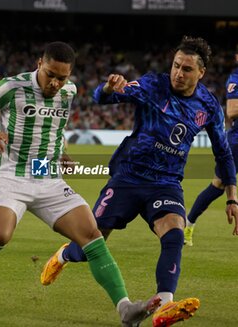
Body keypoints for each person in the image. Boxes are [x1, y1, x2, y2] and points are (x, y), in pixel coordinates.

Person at [40, 36, 238, 327]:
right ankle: (63, 255)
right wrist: (109, 87)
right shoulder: (152, 85)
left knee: (174, 232)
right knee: (89, 243)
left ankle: (165, 304)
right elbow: (102, 97)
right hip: (128, 176)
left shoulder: (208, 105)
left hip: (166, 182)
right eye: (175, 66)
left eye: (186, 69)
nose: (178, 74)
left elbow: (223, 153)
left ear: (201, 73)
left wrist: (232, 196)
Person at [0, 41, 161, 327]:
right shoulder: (13, 87)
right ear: (39, 64)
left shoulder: (68, 92)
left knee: (92, 233)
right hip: (12, 173)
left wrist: (63, 153)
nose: (56, 83)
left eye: (62, 78)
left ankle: (125, 308)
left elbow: (57, 130)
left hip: (48, 175)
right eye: (51, 75)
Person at [185, 46, 238, 246]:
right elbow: (232, 111)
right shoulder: (235, 79)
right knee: (218, 185)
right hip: (237, 141)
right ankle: (188, 225)